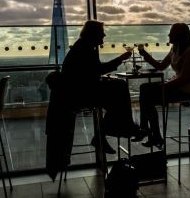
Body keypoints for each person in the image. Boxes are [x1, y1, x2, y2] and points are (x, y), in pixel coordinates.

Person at [60, 20, 142, 154]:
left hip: (77, 91)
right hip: (82, 94)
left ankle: (115, 131)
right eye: (102, 33)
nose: (104, 35)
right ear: (94, 34)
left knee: (116, 96)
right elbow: (97, 70)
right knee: (119, 89)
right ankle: (122, 128)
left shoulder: (83, 46)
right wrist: (120, 59)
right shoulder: (85, 48)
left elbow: (91, 71)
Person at [133, 23, 190, 148]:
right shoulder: (174, 49)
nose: (169, 34)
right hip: (178, 87)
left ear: (178, 35)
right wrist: (145, 55)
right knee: (146, 93)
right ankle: (151, 133)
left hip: (187, 90)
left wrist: (166, 85)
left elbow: (185, 79)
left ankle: (149, 132)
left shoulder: (189, 52)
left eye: (171, 32)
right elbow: (161, 66)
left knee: (146, 93)